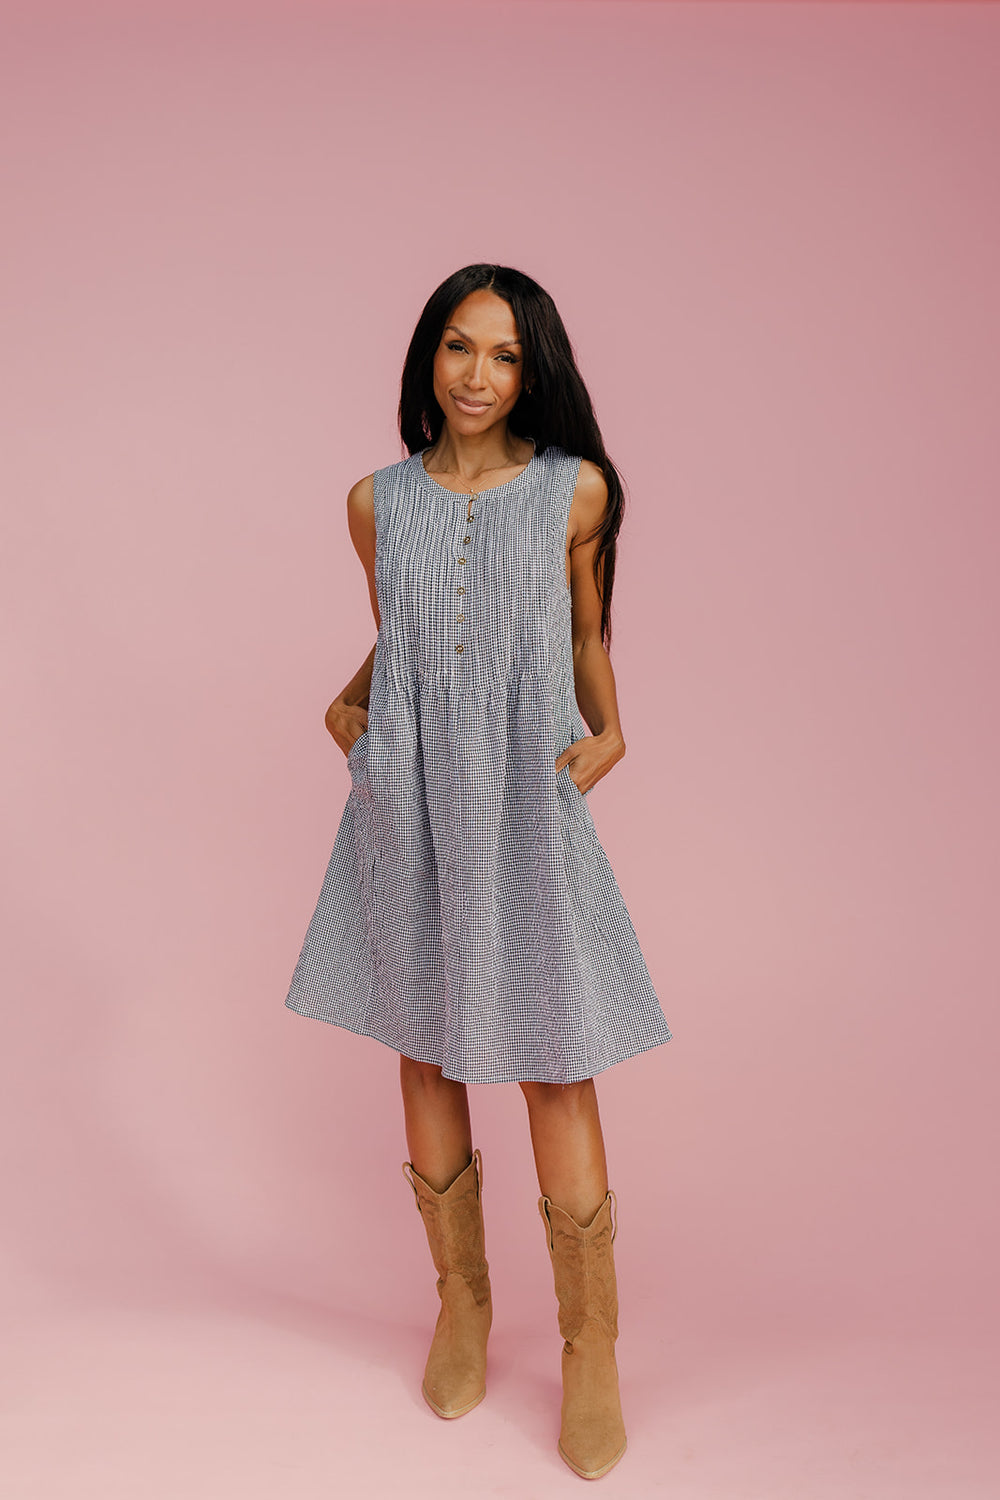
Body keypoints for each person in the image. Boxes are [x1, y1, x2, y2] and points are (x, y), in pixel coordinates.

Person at [285, 263, 672, 1481]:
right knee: (425, 1046)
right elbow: (406, 630)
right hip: (410, 794)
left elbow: (582, 630)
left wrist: (609, 733)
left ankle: (590, 1344)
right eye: (460, 347)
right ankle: (462, 1301)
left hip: (519, 792)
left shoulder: (573, 491)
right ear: (428, 354)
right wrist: (347, 709)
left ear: (532, 370)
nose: (478, 375)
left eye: (505, 355)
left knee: (553, 1057)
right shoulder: (375, 501)